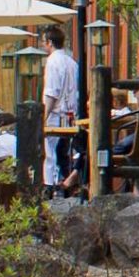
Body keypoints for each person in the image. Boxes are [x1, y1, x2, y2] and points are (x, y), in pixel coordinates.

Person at [41, 25, 82, 187]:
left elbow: (52, 92)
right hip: (70, 114)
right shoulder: (72, 62)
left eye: (44, 42)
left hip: (55, 114)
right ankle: (65, 181)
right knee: (64, 151)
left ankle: (50, 184)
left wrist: (44, 116)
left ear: (50, 42)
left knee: (49, 152)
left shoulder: (52, 62)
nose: (44, 46)